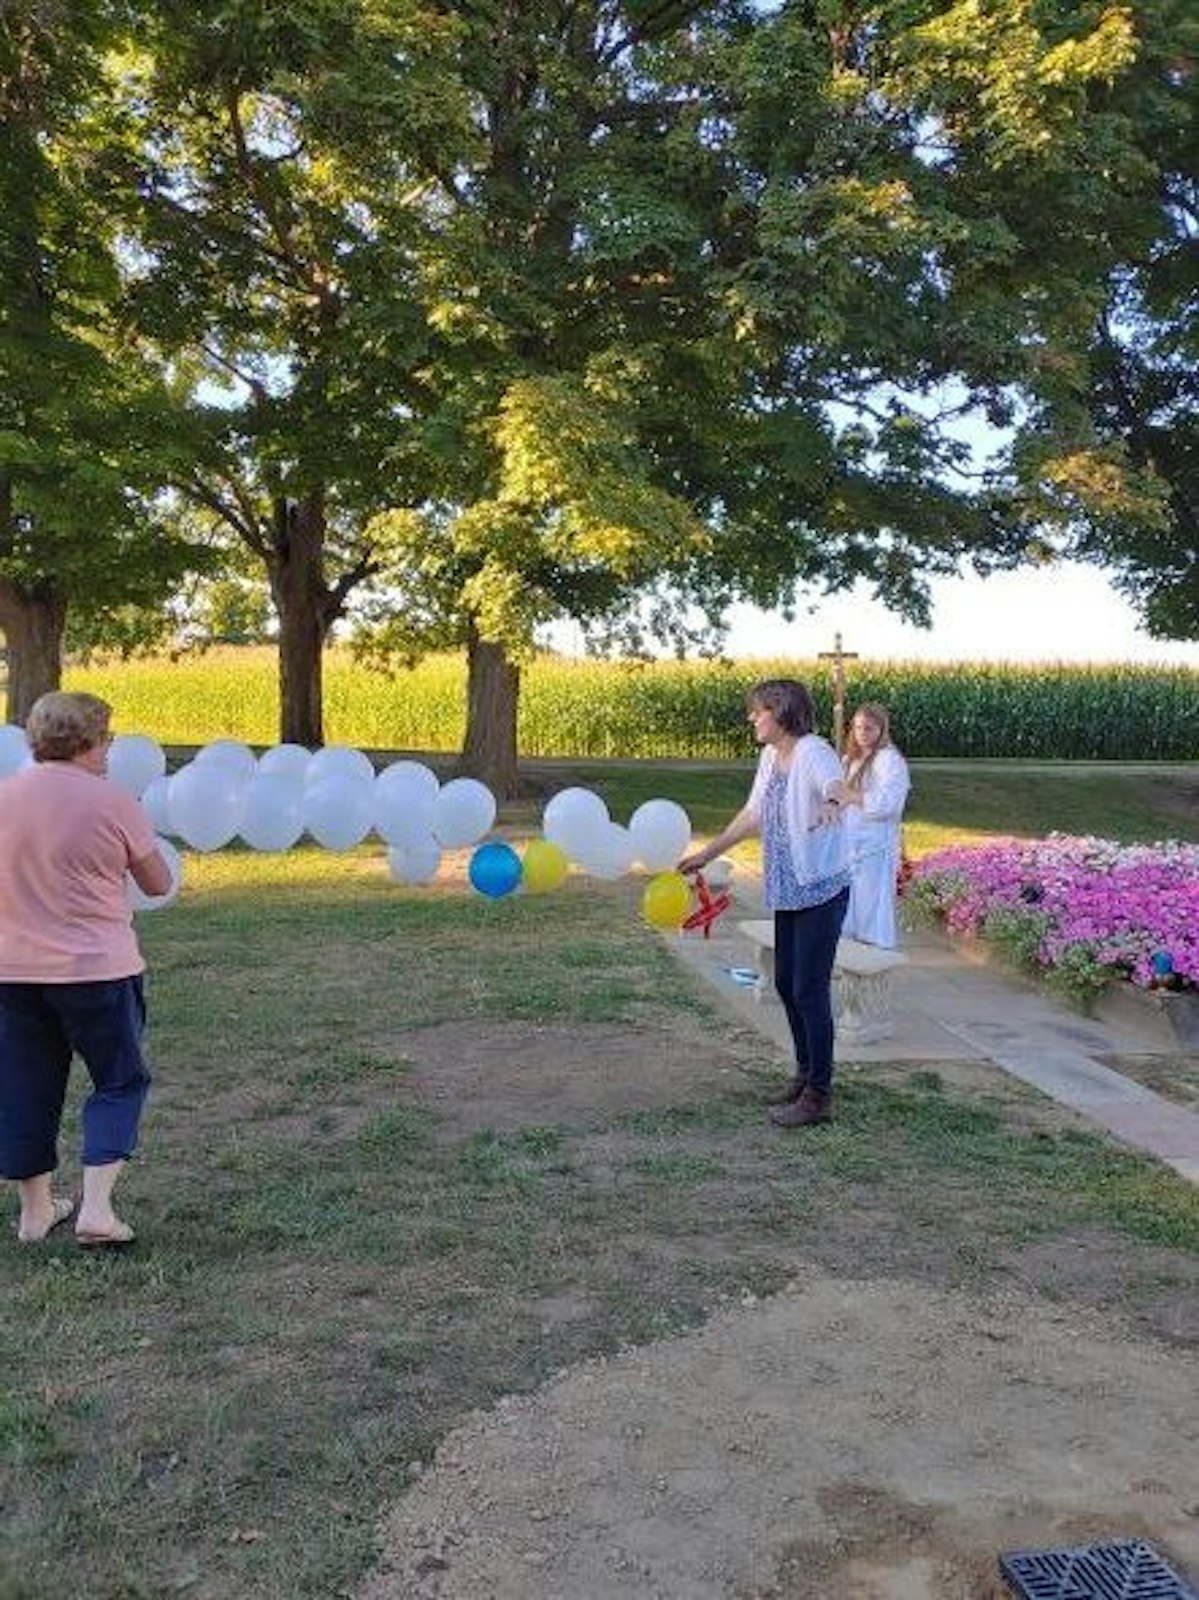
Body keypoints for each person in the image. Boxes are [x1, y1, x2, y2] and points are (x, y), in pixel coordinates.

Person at [0, 692, 171, 1246]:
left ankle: (35, 1213)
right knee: (120, 1081)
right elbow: (157, 883)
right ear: (87, 741)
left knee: (24, 1086)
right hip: (96, 970)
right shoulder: (112, 802)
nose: (110, 750)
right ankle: (96, 1210)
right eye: (107, 740)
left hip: (13, 971)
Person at [680, 678, 849, 1128]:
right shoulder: (770, 757)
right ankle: (804, 1074)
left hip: (820, 888)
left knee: (809, 989)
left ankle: (819, 1095)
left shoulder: (812, 750)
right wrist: (706, 854)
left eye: (759, 711)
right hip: (788, 887)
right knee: (786, 983)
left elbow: (835, 783)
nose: (752, 718)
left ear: (782, 711)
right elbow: (753, 814)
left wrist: (833, 801)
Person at [831, 703, 911, 949]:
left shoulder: (889, 760)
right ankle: (844, 950)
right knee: (845, 901)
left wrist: (852, 795)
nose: (862, 733)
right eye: (857, 727)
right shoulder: (849, 759)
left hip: (874, 844)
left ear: (881, 729)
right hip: (848, 841)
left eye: (868, 728)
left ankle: (870, 951)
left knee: (869, 900)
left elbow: (890, 803)